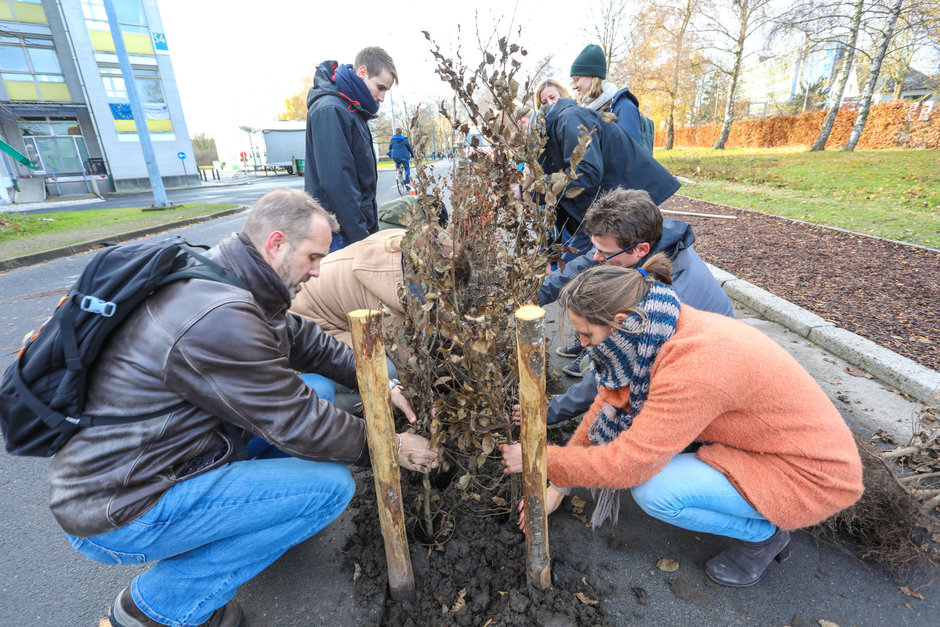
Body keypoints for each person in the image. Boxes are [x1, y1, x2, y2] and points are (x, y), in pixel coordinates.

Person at [50, 189, 438, 627]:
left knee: (317, 388)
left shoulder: (226, 278)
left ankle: (259, 522)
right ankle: (157, 606)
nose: (317, 272)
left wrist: (380, 384)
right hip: (122, 507)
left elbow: (307, 343)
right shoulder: (219, 316)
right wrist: (391, 445)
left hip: (160, 458)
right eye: (313, 257)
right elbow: (295, 421)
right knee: (329, 489)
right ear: (276, 244)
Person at [500, 257, 864, 587]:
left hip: (811, 475)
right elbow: (608, 401)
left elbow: (631, 464)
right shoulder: (659, 324)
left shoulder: (694, 369)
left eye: (586, 335)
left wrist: (541, 458)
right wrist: (559, 486)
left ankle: (764, 536)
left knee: (656, 490)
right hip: (764, 445)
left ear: (622, 324)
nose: (583, 345)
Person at [539, 187, 734, 424]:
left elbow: (612, 367)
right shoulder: (641, 238)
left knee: (603, 364)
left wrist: (548, 413)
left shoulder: (662, 301)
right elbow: (582, 265)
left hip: (703, 375)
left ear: (640, 249)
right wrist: (529, 296)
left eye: (604, 252)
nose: (597, 258)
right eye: (596, 248)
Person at [539, 96, 679, 261]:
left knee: (616, 260)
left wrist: (529, 190)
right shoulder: (545, 140)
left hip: (626, 200)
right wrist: (547, 254)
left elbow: (587, 171)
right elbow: (557, 202)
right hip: (602, 210)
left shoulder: (569, 119)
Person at [305, 47, 397, 252]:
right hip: (339, 234)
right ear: (362, 72)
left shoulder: (351, 110)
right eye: (380, 87)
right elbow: (339, 185)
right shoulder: (332, 109)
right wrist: (363, 240)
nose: (381, 98)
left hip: (350, 231)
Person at [570, 43, 652, 152]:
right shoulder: (591, 110)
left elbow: (629, 157)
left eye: (577, 79)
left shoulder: (623, 107)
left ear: (592, 76)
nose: (574, 86)